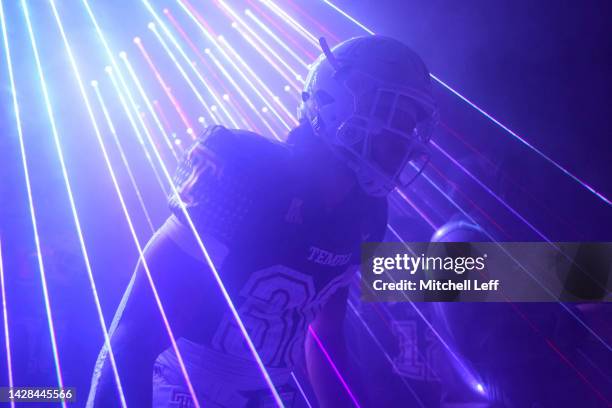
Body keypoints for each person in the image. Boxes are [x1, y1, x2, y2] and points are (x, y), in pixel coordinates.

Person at [87, 35, 438, 408]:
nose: (404, 140)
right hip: (178, 382)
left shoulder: (367, 213)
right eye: (392, 114)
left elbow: (325, 336)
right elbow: (135, 335)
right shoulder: (247, 172)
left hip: (268, 390)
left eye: (411, 123)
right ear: (337, 101)